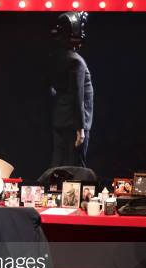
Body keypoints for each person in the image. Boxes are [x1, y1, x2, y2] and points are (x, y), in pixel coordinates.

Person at [49, 11, 93, 168]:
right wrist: (80, 128)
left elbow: (53, 89)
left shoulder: (58, 57)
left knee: (57, 165)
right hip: (74, 124)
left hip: (60, 119)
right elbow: (77, 95)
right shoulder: (76, 62)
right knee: (75, 168)